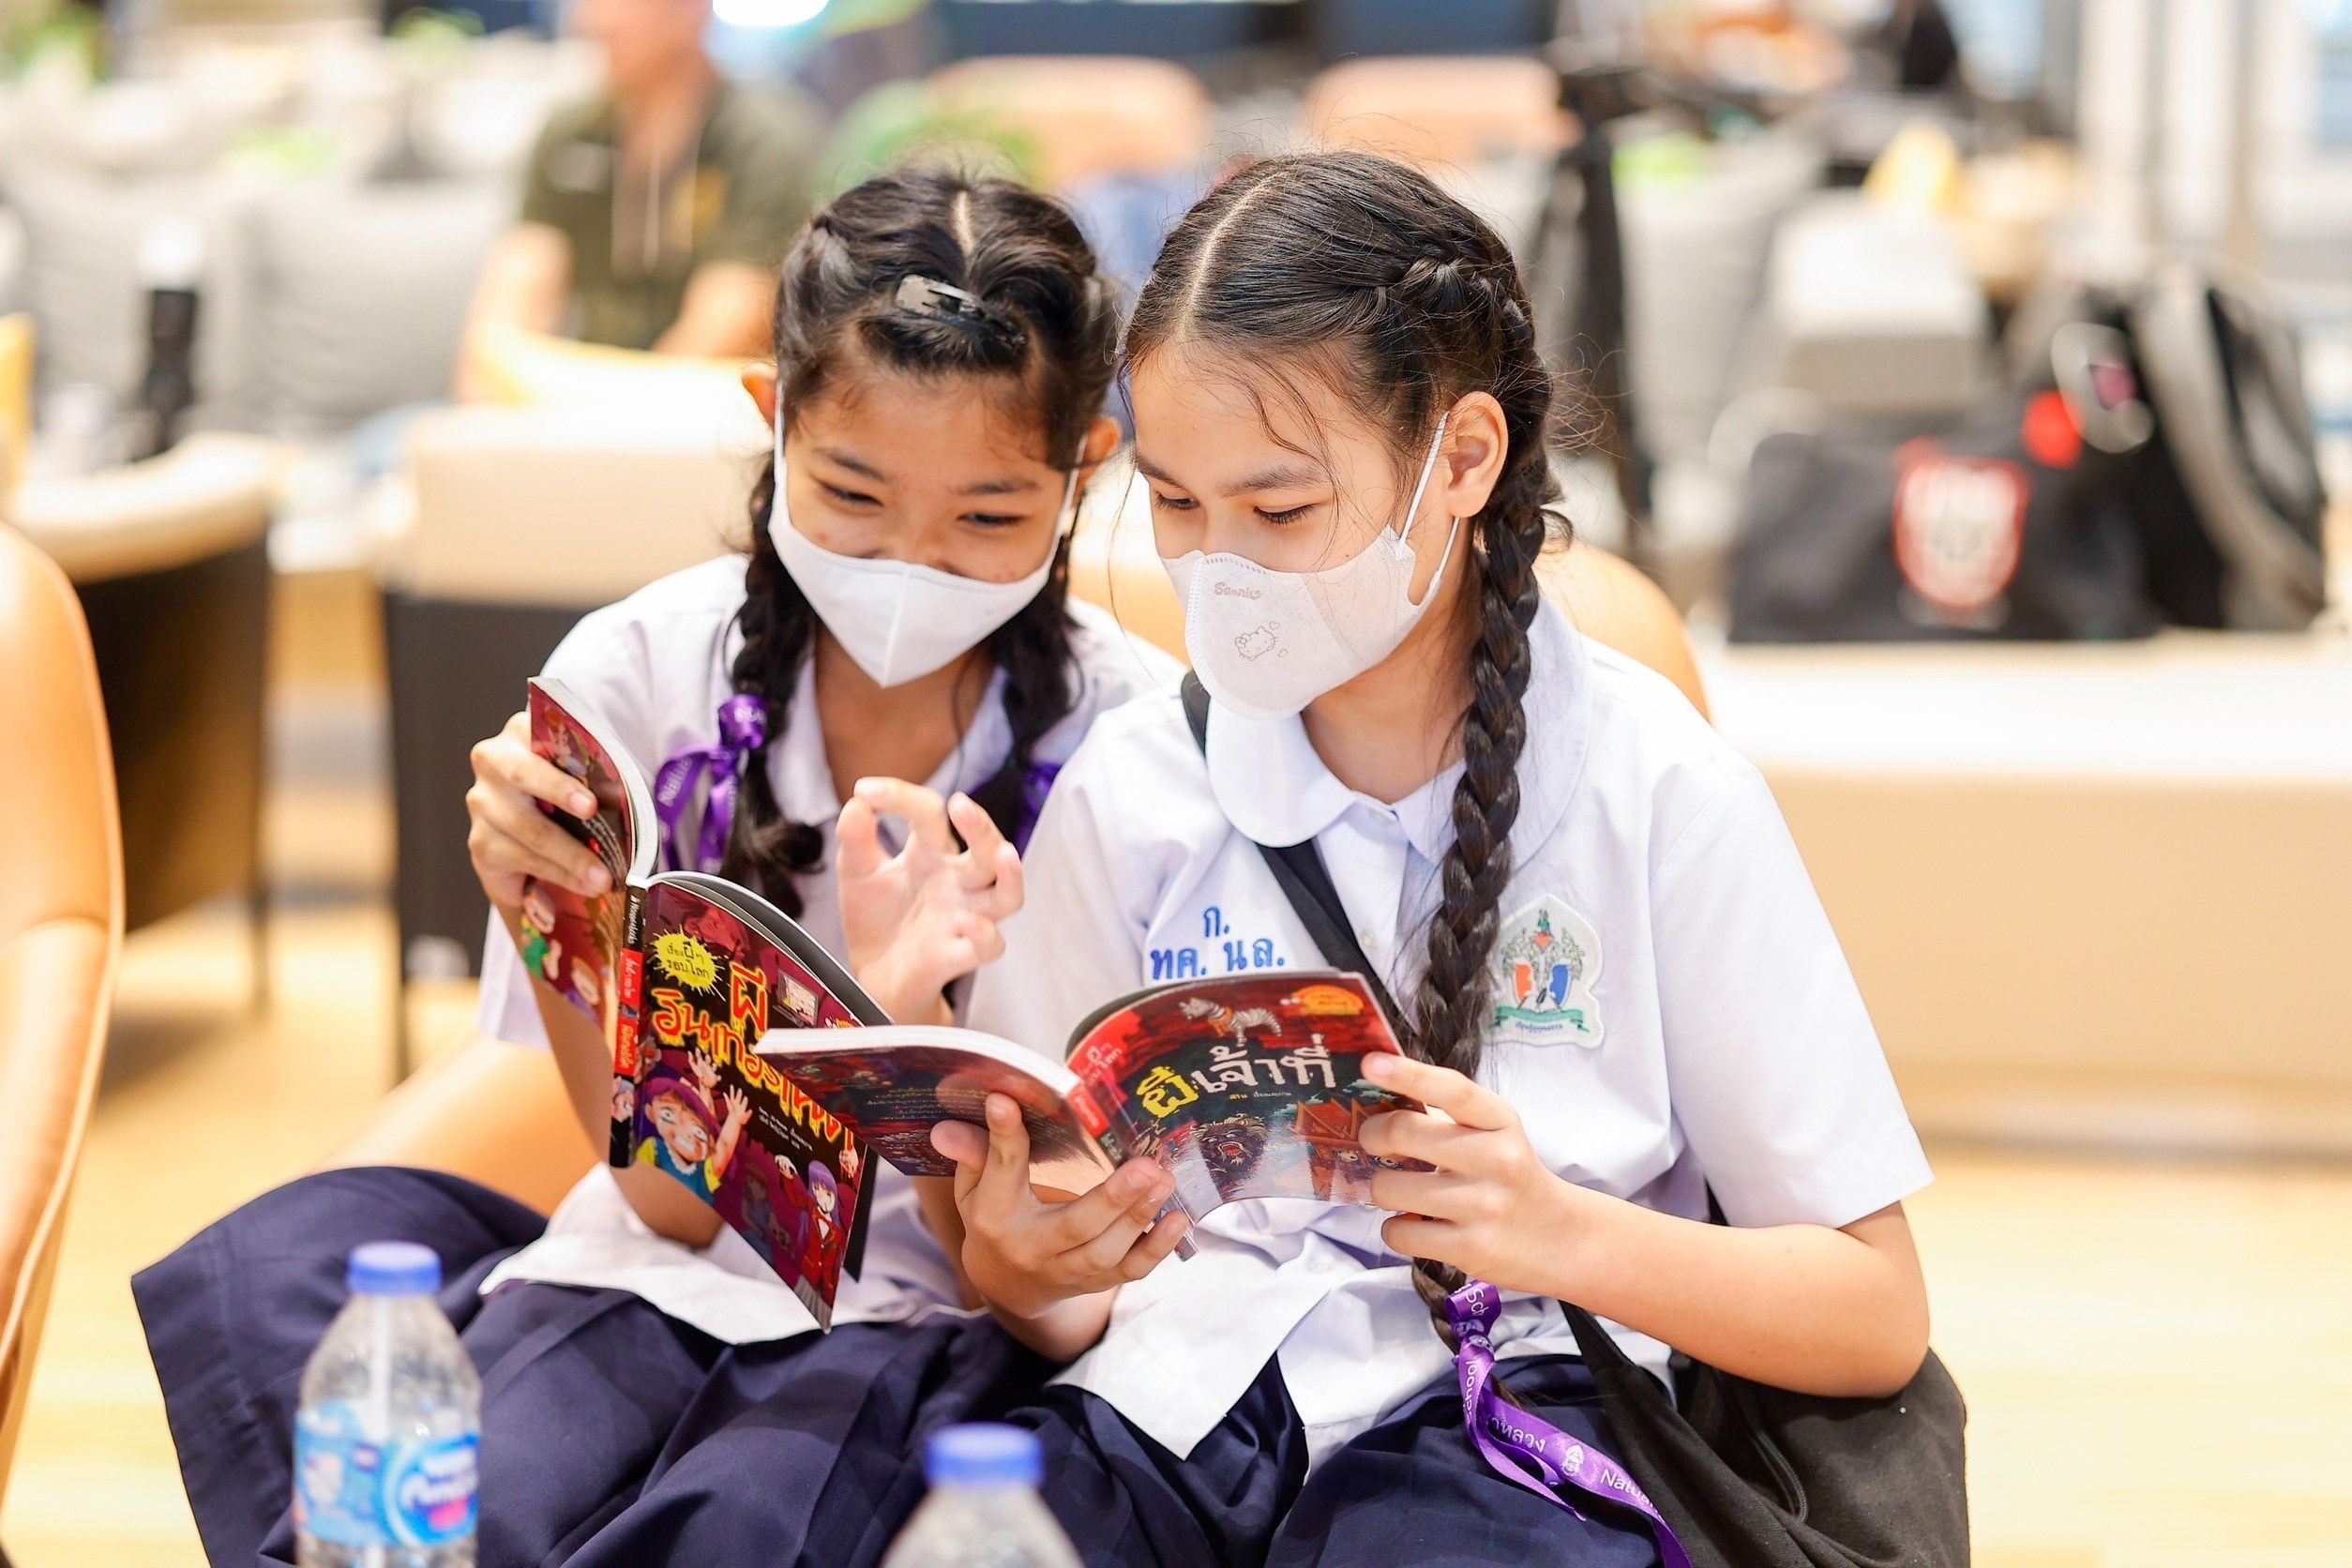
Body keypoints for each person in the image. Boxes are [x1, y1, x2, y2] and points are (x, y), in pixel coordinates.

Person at [893, 149, 1936, 1565]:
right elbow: (1052, 1273)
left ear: (1461, 459)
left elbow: (1873, 1316)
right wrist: (1026, 1268)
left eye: (1279, 510)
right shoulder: (1134, 787)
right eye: (1178, 505)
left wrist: (1557, 1231)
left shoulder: (1656, 789)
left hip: (1527, 1420)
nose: (1218, 573)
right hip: (1186, 1405)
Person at [134, 168, 1177, 1568]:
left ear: (1084, 469)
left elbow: (1041, 1262)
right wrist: (550, 912)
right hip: (657, 1272)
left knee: (740, 1524)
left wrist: (900, 1039)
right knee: (457, 1505)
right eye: (851, 493)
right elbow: (663, 1199)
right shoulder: (636, 681)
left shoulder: (1138, 744)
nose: (910, 563)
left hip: (964, 1328)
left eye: (987, 519)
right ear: (771, 415)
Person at [457, 0, 824, 383]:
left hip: (710, 397)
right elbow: (513, 302)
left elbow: (728, 324)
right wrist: (491, 378)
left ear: (691, 11)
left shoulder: (765, 140)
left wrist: (602, 404)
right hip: (587, 392)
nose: (593, 22)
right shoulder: (571, 134)